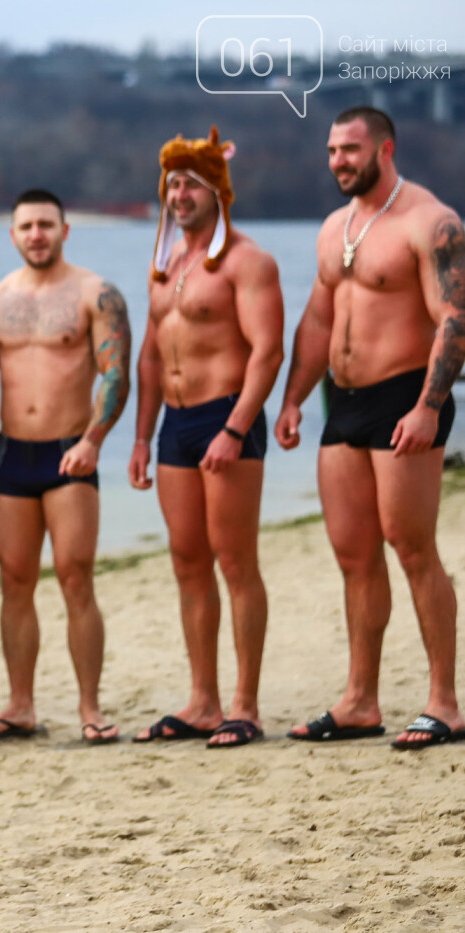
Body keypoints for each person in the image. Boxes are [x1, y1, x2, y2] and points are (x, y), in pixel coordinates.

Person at [276, 107, 465, 750]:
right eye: (331, 150)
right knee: (354, 556)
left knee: (412, 549)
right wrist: (294, 398)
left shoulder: (430, 222)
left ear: (385, 148)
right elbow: (318, 319)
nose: (338, 161)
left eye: (350, 150)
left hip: (406, 397)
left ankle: (445, 701)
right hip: (344, 404)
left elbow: (455, 320)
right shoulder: (335, 228)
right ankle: (360, 700)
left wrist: (429, 406)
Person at [126, 127, 285, 749]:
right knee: (187, 561)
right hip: (175, 426)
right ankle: (202, 700)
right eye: (173, 183)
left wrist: (235, 427)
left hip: (226, 418)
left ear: (218, 189)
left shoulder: (249, 261)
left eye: (193, 182)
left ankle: (244, 705)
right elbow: (147, 355)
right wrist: (140, 438)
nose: (180, 193)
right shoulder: (164, 265)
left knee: (235, 561)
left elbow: (268, 351)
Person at [0, 189, 131, 744]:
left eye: (46, 224)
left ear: (65, 229)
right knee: (14, 582)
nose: (36, 234)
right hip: (12, 453)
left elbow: (115, 374)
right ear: (12, 235)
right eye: (26, 226)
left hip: (70, 450)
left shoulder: (96, 293)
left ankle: (90, 708)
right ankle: (20, 705)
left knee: (74, 577)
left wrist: (94, 440)